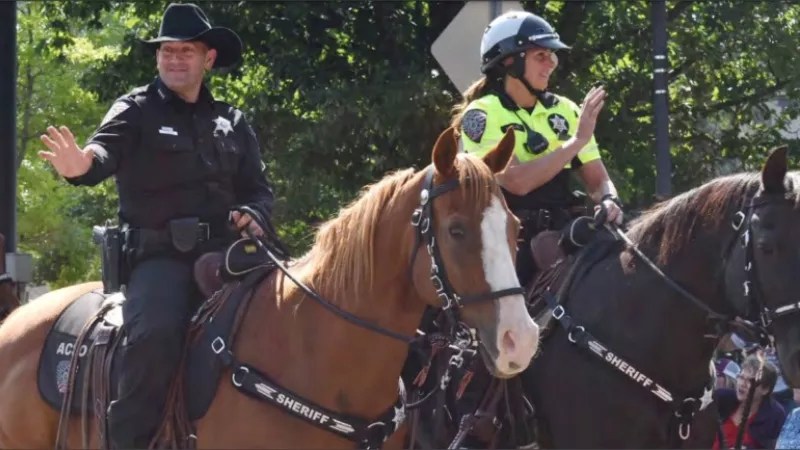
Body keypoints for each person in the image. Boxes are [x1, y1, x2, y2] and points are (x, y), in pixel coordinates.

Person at [38, 3, 275, 448]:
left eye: (186, 51)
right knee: (154, 335)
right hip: (163, 259)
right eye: (167, 50)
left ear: (208, 59)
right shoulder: (136, 110)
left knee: (301, 306)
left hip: (232, 256)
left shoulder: (232, 120)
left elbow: (259, 190)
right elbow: (101, 153)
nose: (174, 59)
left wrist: (254, 214)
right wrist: (81, 166)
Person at [451, 10, 623, 287]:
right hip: (511, 242)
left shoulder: (567, 110)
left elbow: (598, 181)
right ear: (509, 61)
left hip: (566, 233)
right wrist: (575, 142)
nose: (551, 63)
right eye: (540, 55)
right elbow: (516, 182)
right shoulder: (481, 114)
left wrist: (609, 199)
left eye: (551, 55)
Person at [713, 354, 786, 449]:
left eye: (750, 381)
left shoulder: (774, 415)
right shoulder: (722, 398)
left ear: (765, 389)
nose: (742, 384)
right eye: (741, 377)